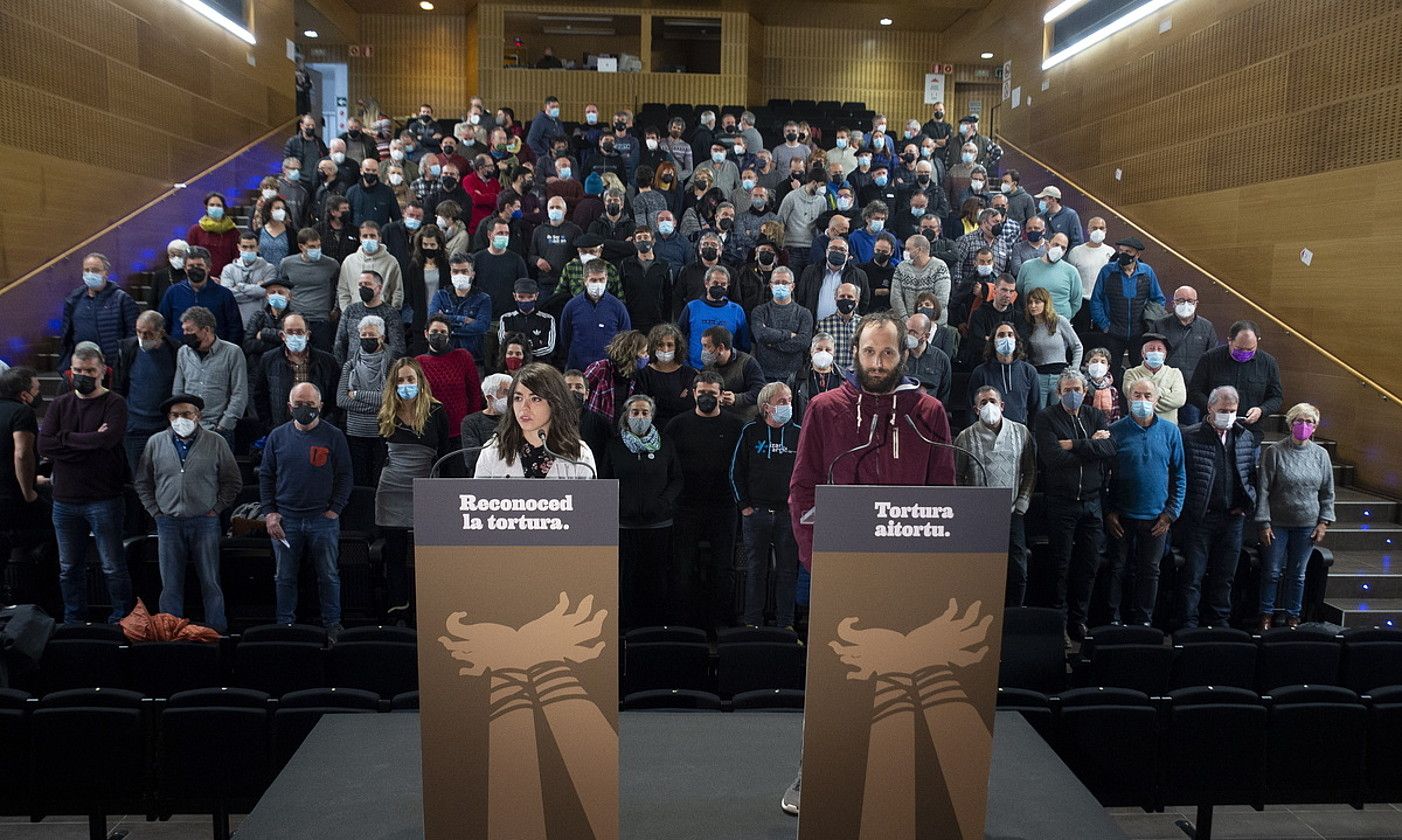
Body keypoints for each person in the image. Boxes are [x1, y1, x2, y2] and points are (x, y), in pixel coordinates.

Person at [782, 311, 956, 815]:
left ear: (904, 354)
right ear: (852, 354)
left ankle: (900, 774)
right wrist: (819, 562)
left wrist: (931, 566)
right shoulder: (824, 407)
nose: (877, 363)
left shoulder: (929, 413)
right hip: (841, 571)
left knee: (905, 677)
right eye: (868, 352)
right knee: (837, 679)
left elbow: (942, 492)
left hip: (907, 571)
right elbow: (802, 489)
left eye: (887, 353)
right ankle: (817, 771)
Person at [38, 343, 134, 623]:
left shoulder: (115, 403)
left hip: (104, 498)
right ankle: (74, 620)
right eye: (78, 370)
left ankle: (121, 618)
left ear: (103, 370)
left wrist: (64, 439)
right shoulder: (59, 403)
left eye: (89, 370)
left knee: (112, 566)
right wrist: (87, 440)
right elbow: (45, 444)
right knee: (68, 568)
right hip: (64, 500)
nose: (83, 375)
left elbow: (108, 440)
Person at [134, 394, 240, 632]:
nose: (180, 419)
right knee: (170, 585)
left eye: (186, 414)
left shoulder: (216, 442)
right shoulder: (155, 442)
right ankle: (170, 634)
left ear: (198, 415)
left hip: (205, 522)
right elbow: (142, 481)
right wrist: (155, 511)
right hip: (168, 522)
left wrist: (217, 508)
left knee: (210, 582)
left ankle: (217, 632)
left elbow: (232, 481)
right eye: (175, 415)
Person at [260, 382, 353, 635]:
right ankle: (285, 626)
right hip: (286, 519)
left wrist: (336, 508)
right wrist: (269, 513)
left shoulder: (334, 435)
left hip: (322, 519)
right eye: (299, 404)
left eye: (310, 405)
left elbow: (345, 475)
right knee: (284, 577)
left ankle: (333, 625)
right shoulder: (277, 436)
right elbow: (266, 476)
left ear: (320, 406)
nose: (305, 409)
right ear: (289, 406)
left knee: (329, 576)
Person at [1035, 371, 1116, 642]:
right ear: (1059, 392)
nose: (1073, 393)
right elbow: (1053, 458)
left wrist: (1075, 445)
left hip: (1092, 503)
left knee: (1089, 564)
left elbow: (1110, 449)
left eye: (1078, 388)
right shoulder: (1046, 418)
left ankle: (1078, 621)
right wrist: (1091, 446)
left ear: (1085, 391)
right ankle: (1058, 622)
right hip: (1061, 503)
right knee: (1060, 565)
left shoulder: (1095, 415)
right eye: (1068, 389)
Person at [666, 371, 746, 628]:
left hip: (724, 507)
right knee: (682, 570)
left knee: (723, 570)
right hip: (686, 507)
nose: (707, 397)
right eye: (702, 393)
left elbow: (743, 468)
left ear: (722, 395)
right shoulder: (676, 426)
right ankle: (683, 627)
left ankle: (720, 628)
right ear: (693, 394)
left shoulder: (736, 426)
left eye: (712, 393)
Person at [1175, 386, 1257, 631]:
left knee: (1225, 577)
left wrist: (1246, 502)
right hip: (1200, 519)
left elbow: (1250, 476)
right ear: (1210, 408)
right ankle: (1188, 624)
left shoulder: (1244, 436)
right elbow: (1181, 476)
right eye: (1223, 410)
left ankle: (1218, 624)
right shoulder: (1190, 435)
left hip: (1232, 519)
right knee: (1193, 576)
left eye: (1232, 411)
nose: (1228, 415)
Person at [1105, 378, 1185, 626]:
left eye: (1147, 396)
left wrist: (1171, 514)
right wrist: (1109, 512)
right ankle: (1113, 620)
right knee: (1117, 569)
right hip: (1121, 517)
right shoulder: (1115, 430)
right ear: (1129, 400)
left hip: (1156, 519)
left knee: (1150, 571)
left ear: (1157, 400)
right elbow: (1102, 474)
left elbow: (1180, 475)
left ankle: (1144, 621)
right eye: (1136, 395)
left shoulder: (1171, 432)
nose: (1142, 400)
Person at [375, 358, 451, 619]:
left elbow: (444, 451)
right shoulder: (386, 411)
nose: (405, 385)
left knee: (426, 554)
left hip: (425, 486)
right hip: (392, 488)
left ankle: (429, 610)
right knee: (395, 554)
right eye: (400, 380)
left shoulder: (436, 411)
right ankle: (398, 608)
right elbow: (379, 453)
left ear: (420, 381)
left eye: (410, 379)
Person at [603, 394, 683, 631]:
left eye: (644, 413)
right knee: (627, 581)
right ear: (626, 416)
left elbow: (677, 479)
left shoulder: (666, 444)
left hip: (658, 525)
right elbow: (605, 480)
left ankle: (655, 629)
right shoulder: (614, 445)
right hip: (624, 527)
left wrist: (664, 503)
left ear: (652, 415)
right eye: (635, 412)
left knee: (657, 581)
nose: (640, 417)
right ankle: (627, 629)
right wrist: (620, 506)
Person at [1256, 402, 1335, 630]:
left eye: (1309, 421)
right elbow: (1263, 490)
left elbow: (1327, 492)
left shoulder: (1321, 455)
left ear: (1315, 426)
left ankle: (1293, 616)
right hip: (1277, 524)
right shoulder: (1274, 452)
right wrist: (1263, 522)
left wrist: (1324, 522)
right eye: (1299, 421)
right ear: (1290, 424)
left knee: (1298, 575)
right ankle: (1266, 614)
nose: (1304, 425)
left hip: (1306, 524)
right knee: (1271, 572)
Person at [955, 386, 1037, 607]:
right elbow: (956, 475)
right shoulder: (964, 437)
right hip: (979, 518)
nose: (988, 406)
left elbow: (1030, 470)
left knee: (1018, 570)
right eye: (983, 403)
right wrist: (968, 507)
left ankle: (1014, 615)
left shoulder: (1021, 432)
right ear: (975, 409)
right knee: (981, 571)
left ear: (1002, 406)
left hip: (1013, 513)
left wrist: (1023, 502)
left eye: (992, 401)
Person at [730, 382, 801, 629]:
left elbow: (806, 475)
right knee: (755, 571)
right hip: (756, 513)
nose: (788, 405)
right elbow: (735, 472)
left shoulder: (799, 433)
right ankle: (752, 623)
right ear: (766, 407)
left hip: (787, 516)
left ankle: (786, 624)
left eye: (790, 400)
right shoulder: (750, 432)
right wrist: (744, 506)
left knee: (787, 573)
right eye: (782, 401)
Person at [474, 363, 596, 478]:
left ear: (555, 403)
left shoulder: (579, 455)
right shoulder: (493, 451)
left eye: (535, 399)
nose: (524, 407)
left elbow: (588, 500)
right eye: (518, 398)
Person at [1188, 319, 1283, 445]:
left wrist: (1261, 410)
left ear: (1257, 342)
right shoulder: (1210, 358)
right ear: (1229, 340)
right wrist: (1213, 409)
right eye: (1239, 348)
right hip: (1213, 432)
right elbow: (1194, 391)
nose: (1244, 353)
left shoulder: (1268, 363)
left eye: (1250, 349)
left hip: (1249, 434)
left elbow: (1277, 398)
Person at [1088, 236, 1165, 380]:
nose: (1123, 254)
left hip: (1139, 333)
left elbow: (1158, 299)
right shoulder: (1107, 271)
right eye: (1121, 250)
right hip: (1113, 333)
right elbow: (1096, 300)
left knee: (1140, 374)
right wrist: (1105, 325)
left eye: (1128, 251)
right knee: (1112, 374)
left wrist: (1149, 323)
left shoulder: (1147, 272)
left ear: (1137, 255)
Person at [251, 312, 339, 437]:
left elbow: (334, 399)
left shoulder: (327, 361)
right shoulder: (269, 360)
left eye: (299, 332)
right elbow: (260, 397)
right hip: (281, 431)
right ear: (282, 335)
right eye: (290, 332)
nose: (294, 336)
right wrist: (270, 427)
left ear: (307, 335)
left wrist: (326, 425)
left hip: (320, 431)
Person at [174, 306, 248, 448]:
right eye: (184, 330)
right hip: (188, 428)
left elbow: (240, 393)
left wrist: (224, 425)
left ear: (206, 330)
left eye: (189, 330)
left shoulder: (232, 352)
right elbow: (178, 391)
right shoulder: (183, 353)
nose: (185, 334)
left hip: (219, 430)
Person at [115, 311, 180, 473]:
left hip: (164, 427)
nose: (143, 337)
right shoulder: (127, 349)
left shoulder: (176, 350)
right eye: (139, 332)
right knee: (139, 479)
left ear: (161, 332)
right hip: (134, 427)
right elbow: (119, 387)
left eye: (148, 333)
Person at [418, 315, 484, 474]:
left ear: (449, 335)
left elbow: (474, 394)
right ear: (426, 334)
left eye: (442, 331)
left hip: (459, 433)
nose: (438, 335)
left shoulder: (463, 357)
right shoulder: (418, 362)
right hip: (430, 433)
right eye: (434, 331)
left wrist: (471, 427)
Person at [59, 252, 139, 372]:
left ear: (106, 273)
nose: (90, 274)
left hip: (113, 367)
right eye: (87, 270)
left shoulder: (121, 299)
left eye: (95, 270)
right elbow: (67, 336)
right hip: (82, 367)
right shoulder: (74, 299)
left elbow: (133, 335)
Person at [338, 314, 393, 487]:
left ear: (382, 338)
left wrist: (356, 394)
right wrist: (377, 405)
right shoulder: (350, 365)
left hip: (382, 432)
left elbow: (389, 399)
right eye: (364, 336)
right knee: (359, 481)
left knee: (379, 481)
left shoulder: (392, 364)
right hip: (355, 433)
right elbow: (341, 400)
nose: (368, 339)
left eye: (372, 336)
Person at [1152, 285, 1217, 426]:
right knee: (1165, 429)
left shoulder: (1207, 327)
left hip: (1194, 392)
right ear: (1173, 303)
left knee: (1191, 431)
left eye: (1190, 300)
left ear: (1196, 303)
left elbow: (1213, 360)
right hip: (1166, 390)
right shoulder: (1159, 325)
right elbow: (1150, 353)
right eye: (1181, 300)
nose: (1185, 304)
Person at [159, 247, 244, 344]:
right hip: (179, 352)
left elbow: (235, 328)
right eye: (191, 266)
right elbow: (163, 325)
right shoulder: (173, 292)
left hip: (216, 352)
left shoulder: (224, 294)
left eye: (199, 265)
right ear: (185, 269)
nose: (195, 269)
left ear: (208, 267)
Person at [277, 229, 341, 355]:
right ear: (301, 246)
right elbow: (282, 287)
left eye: (318, 246)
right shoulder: (287, 263)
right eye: (312, 246)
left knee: (322, 357)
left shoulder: (332, 265)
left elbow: (339, 288)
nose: (316, 249)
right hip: (296, 317)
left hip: (321, 319)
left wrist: (336, 308)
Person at [561, 261, 632, 371]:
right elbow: (565, 338)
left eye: (601, 280)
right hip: (578, 370)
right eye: (593, 280)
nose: (598, 284)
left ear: (606, 279)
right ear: (585, 280)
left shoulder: (618, 307)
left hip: (608, 371)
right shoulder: (572, 306)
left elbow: (625, 339)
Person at [1019, 286, 1082, 408]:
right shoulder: (1027, 326)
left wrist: (1073, 371)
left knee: (1062, 411)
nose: (1033, 306)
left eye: (1037, 302)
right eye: (1030, 303)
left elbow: (1077, 346)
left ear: (1045, 303)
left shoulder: (1059, 321)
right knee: (1039, 412)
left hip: (1059, 375)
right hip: (1039, 375)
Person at [748, 267, 813, 385]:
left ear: (792, 286)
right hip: (764, 375)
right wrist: (788, 334)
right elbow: (761, 335)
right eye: (777, 283)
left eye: (784, 283)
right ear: (771, 285)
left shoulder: (804, 313)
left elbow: (803, 342)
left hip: (794, 377)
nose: (780, 286)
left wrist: (771, 342)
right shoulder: (760, 311)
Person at [969, 323, 1041, 425]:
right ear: (993, 341)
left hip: (1020, 433)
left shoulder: (1029, 371)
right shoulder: (980, 372)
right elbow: (972, 409)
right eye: (1001, 335)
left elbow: (1036, 408)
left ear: (1016, 341)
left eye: (1010, 335)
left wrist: (1032, 437)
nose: (1006, 338)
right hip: (988, 432)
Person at [427, 252, 492, 362]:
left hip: (473, 358)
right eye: (455, 272)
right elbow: (433, 321)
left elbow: (482, 327)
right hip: (443, 356)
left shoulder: (483, 299)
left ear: (472, 274)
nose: (459, 275)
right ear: (450, 273)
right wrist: (464, 320)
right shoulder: (440, 295)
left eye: (464, 271)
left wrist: (447, 324)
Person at [336, 221, 404, 320]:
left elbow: (397, 291)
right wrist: (348, 313)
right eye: (365, 236)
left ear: (379, 238)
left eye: (372, 236)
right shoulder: (349, 261)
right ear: (360, 238)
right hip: (355, 317)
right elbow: (343, 290)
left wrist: (391, 313)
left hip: (383, 317)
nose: (368, 239)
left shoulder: (391, 261)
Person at [335, 270, 406, 364]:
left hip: (381, 369)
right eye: (360, 284)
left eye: (367, 284)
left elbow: (397, 348)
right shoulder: (350, 310)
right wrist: (343, 368)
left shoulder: (390, 313)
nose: (363, 287)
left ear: (379, 288)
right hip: (353, 368)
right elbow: (340, 342)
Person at [636, 323, 698, 429]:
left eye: (670, 345)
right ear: (653, 346)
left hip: (683, 429)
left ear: (677, 347)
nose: (665, 350)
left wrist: (656, 401)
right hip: (652, 431)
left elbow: (690, 406)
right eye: (660, 345)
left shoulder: (690, 374)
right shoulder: (643, 375)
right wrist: (677, 400)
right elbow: (643, 409)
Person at [583, 330, 649, 426]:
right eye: (643, 353)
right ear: (632, 354)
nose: (646, 357)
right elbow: (581, 389)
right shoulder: (601, 368)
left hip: (622, 429)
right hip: (597, 427)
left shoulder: (637, 376)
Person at [700, 326, 765, 421]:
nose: (703, 351)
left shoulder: (747, 362)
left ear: (721, 347)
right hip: (716, 417)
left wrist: (737, 399)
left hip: (743, 418)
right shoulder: (707, 366)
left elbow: (760, 391)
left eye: (707, 346)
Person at [1122, 333, 1186, 423]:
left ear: (1165, 354)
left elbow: (1179, 400)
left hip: (1167, 427)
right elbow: (1131, 396)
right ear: (1143, 353)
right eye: (1151, 349)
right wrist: (1165, 392)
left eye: (1159, 349)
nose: (1156, 352)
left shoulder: (1175, 373)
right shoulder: (1131, 373)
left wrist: (1147, 402)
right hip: (1138, 425)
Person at [1016, 233, 1081, 322]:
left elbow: (1076, 301)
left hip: (1060, 323)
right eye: (1056, 245)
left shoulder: (1071, 271)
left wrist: (1065, 318)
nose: (1059, 249)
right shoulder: (1027, 266)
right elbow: (1019, 293)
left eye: (1063, 248)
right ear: (1047, 245)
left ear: (1065, 251)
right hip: (1032, 322)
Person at [1065, 217, 1113, 333]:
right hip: (1082, 301)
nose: (1098, 231)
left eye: (1101, 228)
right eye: (1094, 228)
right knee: (1081, 335)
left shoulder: (1111, 252)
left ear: (1106, 231)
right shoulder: (1076, 252)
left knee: (1101, 336)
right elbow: (1070, 279)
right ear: (1088, 230)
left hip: (1103, 302)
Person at [619, 227, 670, 334]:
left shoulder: (664, 265)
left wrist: (666, 323)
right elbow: (622, 292)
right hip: (632, 322)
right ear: (634, 242)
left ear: (653, 240)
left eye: (646, 237)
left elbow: (668, 296)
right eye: (639, 238)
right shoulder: (625, 264)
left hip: (657, 322)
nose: (643, 240)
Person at [460, 373, 512, 474]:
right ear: (490, 397)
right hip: (484, 478)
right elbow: (471, 460)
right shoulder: (471, 422)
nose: (510, 397)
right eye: (506, 392)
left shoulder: (517, 419)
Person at [890, 234, 950, 321]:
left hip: (935, 324)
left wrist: (925, 323)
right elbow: (895, 297)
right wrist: (906, 320)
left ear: (918, 250)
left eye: (908, 249)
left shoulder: (940, 267)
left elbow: (942, 299)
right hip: (907, 325)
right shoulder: (901, 267)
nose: (905, 252)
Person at [242, 276, 295, 369]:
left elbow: (293, 345)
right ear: (267, 296)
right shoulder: (258, 316)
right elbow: (248, 345)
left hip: (285, 367)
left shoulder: (295, 318)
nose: (276, 295)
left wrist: (263, 333)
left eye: (281, 292)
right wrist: (280, 339)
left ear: (289, 296)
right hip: (258, 368)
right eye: (272, 292)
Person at [498, 278, 557, 361]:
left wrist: (522, 352)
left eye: (530, 297)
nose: (526, 300)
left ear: (536, 296)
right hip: (514, 365)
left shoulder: (547, 319)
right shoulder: (506, 319)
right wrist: (534, 343)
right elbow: (504, 345)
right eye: (521, 297)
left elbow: (548, 348)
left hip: (539, 365)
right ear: (515, 296)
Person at [902, 312, 952, 404]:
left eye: (913, 332)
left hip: (929, 411)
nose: (908, 336)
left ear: (926, 336)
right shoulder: (899, 356)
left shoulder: (941, 359)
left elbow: (944, 392)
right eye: (906, 331)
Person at [186, 192, 240, 275]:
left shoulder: (233, 232)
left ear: (223, 208)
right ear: (206, 208)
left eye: (218, 205)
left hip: (227, 278)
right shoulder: (195, 230)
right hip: (201, 277)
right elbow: (190, 257)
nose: (215, 208)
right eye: (212, 205)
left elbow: (237, 257)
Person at [813, 282, 862, 373]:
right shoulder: (823, 325)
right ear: (836, 299)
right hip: (832, 376)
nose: (846, 299)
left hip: (856, 377)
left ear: (857, 300)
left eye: (850, 297)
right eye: (842, 296)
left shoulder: (863, 325)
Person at [1035, 186, 1083, 250]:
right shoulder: (1040, 216)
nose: (1041, 202)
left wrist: (1065, 256)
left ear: (1053, 200)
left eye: (1043, 199)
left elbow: (1077, 241)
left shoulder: (1070, 215)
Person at [1084, 347, 1122, 423]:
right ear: (1087, 365)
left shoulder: (1112, 390)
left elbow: (1116, 415)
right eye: (1094, 361)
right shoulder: (1082, 387)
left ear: (1108, 367)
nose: (1098, 364)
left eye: (1103, 362)